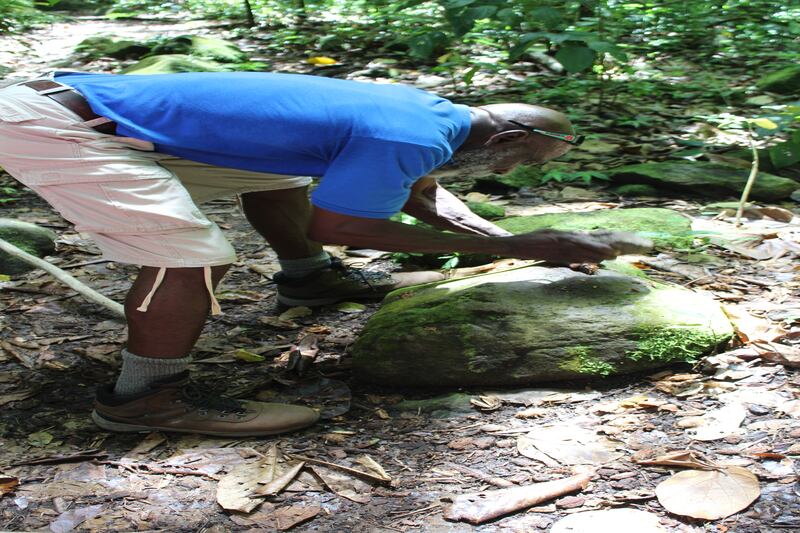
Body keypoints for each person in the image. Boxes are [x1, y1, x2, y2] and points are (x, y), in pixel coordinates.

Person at [0, 71, 620, 437]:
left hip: (78, 104)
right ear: (507, 137)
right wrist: (513, 246)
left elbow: (423, 193)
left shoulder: (433, 116)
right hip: (52, 124)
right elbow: (341, 222)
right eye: (519, 161)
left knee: (279, 175)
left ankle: (308, 282)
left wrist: (519, 246)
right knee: (194, 255)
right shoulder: (409, 132)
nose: (510, 172)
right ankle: (144, 398)